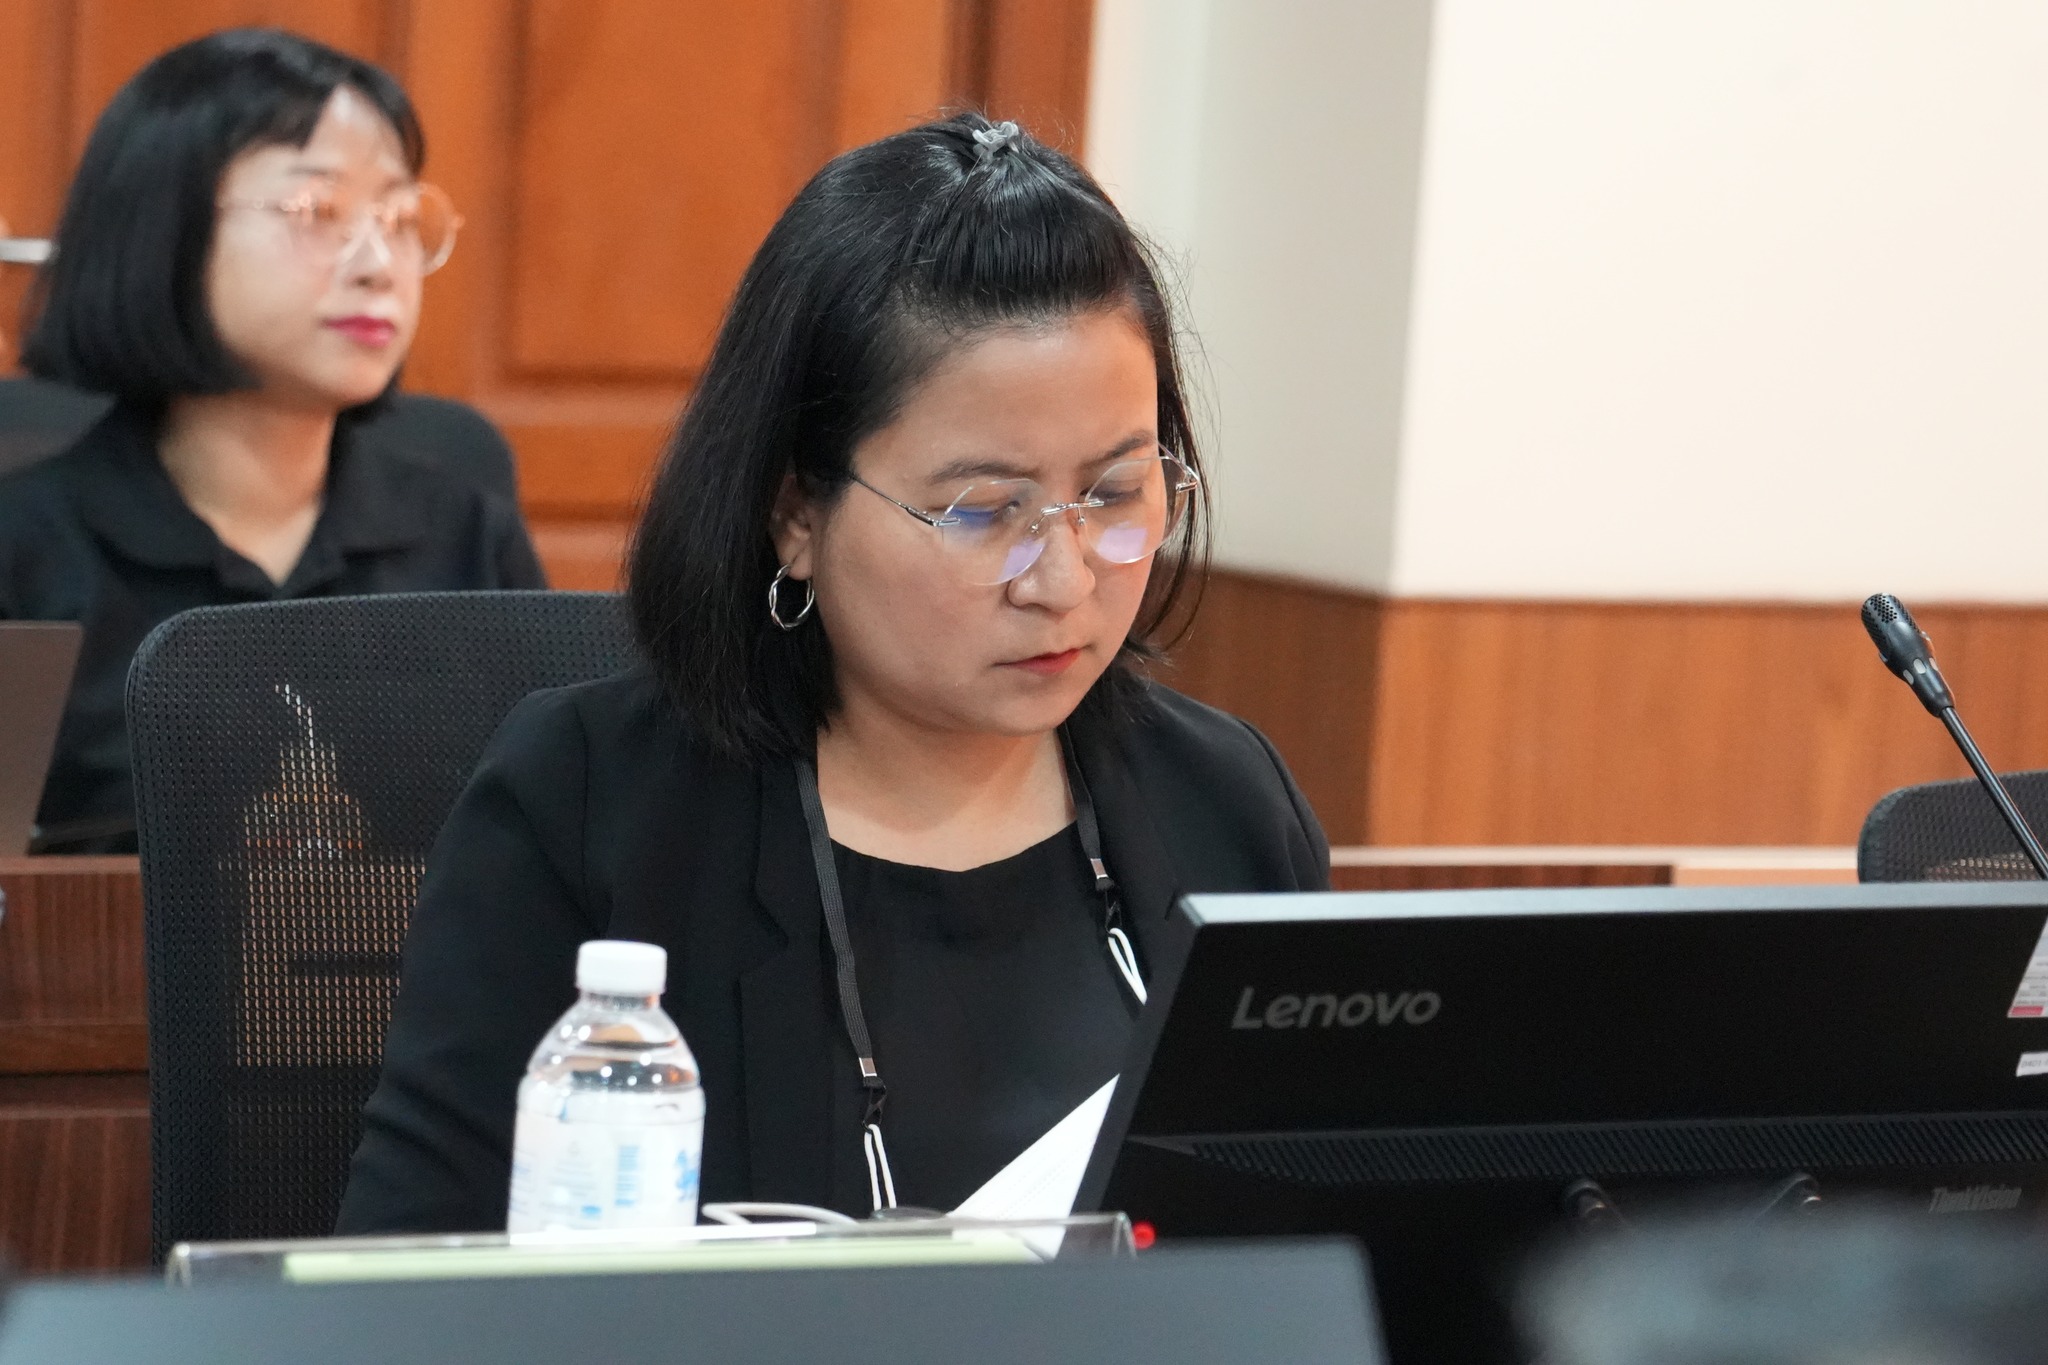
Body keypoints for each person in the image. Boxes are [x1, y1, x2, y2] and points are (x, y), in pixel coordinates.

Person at [336, 114, 1328, 1233]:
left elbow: (1318, 1252)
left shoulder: (1223, 803)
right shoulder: (590, 807)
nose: (1062, 580)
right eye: (981, 511)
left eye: (1112, 495)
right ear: (796, 513)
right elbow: (409, 1272)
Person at [0, 28, 544, 852]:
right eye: (313, 211)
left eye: (399, 218)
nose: (378, 265)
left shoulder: (465, 534)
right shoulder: (23, 547)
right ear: (162, 233)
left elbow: (546, 837)